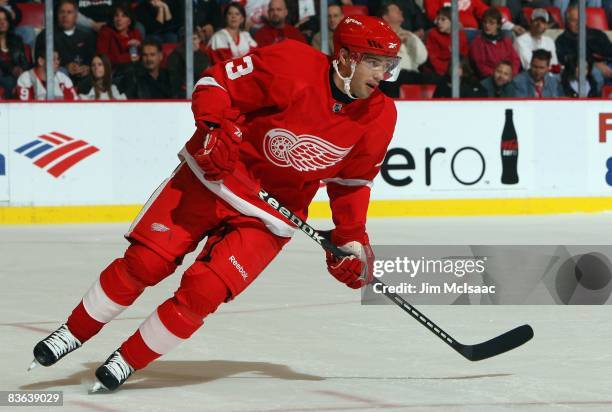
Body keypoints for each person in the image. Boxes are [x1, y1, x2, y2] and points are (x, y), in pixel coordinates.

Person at [29, 15, 400, 392]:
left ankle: (127, 359)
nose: (382, 74)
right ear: (345, 57)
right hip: (216, 177)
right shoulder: (292, 63)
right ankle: (72, 332)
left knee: (203, 293)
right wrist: (212, 128)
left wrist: (351, 238)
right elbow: (215, 82)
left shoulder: (381, 115)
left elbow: (351, 182)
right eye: (374, 62)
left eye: (387, 65)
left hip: (270, 215)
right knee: (146, 262)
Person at [35, 0, 96, 87]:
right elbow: (40, 61)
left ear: (76, 16)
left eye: (69, 12)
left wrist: (87, 67)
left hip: (84, 78)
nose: (65, 16)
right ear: (57, 15)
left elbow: (92, 58)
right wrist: (66, 66)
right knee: (62, 72)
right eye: (61, 12)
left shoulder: (87, 36)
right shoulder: (46, 35)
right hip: (57, 78)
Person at [555, 5, 612, 87]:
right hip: (584, 72)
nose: (578, 23)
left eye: (581, 20)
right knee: (595, 74)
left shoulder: (598, 35)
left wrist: (605, 65)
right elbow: (567, 62)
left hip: (607, 66)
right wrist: (594, 64)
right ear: (567, 22)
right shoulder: (561, 41)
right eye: (574, 20)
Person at [469, 7, 520, 79]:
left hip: (508, 77)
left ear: (498, 25)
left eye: (491, 23)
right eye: (485, 22)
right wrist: (499, 76)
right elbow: (481, 67)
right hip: (489, 79)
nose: (487, 25)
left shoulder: (505, 41)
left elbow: (515, 60)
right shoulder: (477, 43)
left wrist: (511, 74)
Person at [96, 3, 144, 70]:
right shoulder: (105, 32)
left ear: (129, 21)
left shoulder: (135, 33)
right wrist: (128, 58)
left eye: (123, 16)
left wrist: (140, 46)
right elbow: (102, 57)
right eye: (116, 15)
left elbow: (144, 53)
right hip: (114, 71)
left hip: (135, 69)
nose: (119, 19)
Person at [424, 6, 468, 78]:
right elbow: (433, 60)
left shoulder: (461, 35)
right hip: (437, 72)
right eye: (438, 19)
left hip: (456, 71)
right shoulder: (433, 34)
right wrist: (449, 71)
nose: (438, 22)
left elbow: (464, 57)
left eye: (443, 19)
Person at [167, 33, 211, 98]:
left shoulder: (203, 56)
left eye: (194, 39)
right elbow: (174, 81)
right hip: (181, 95)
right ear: (184, 41)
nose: (192, 42)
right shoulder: (175, 56)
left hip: (201, 91)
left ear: (199, 40)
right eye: (189, 40)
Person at [0, 7, 29, 99]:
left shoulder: (16, 40)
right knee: (9, 81)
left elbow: (24, 62)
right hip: (4, 76)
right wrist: (12, 69)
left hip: (15, 76)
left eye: (5, 19)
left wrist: (22, 71)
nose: (2, 22)